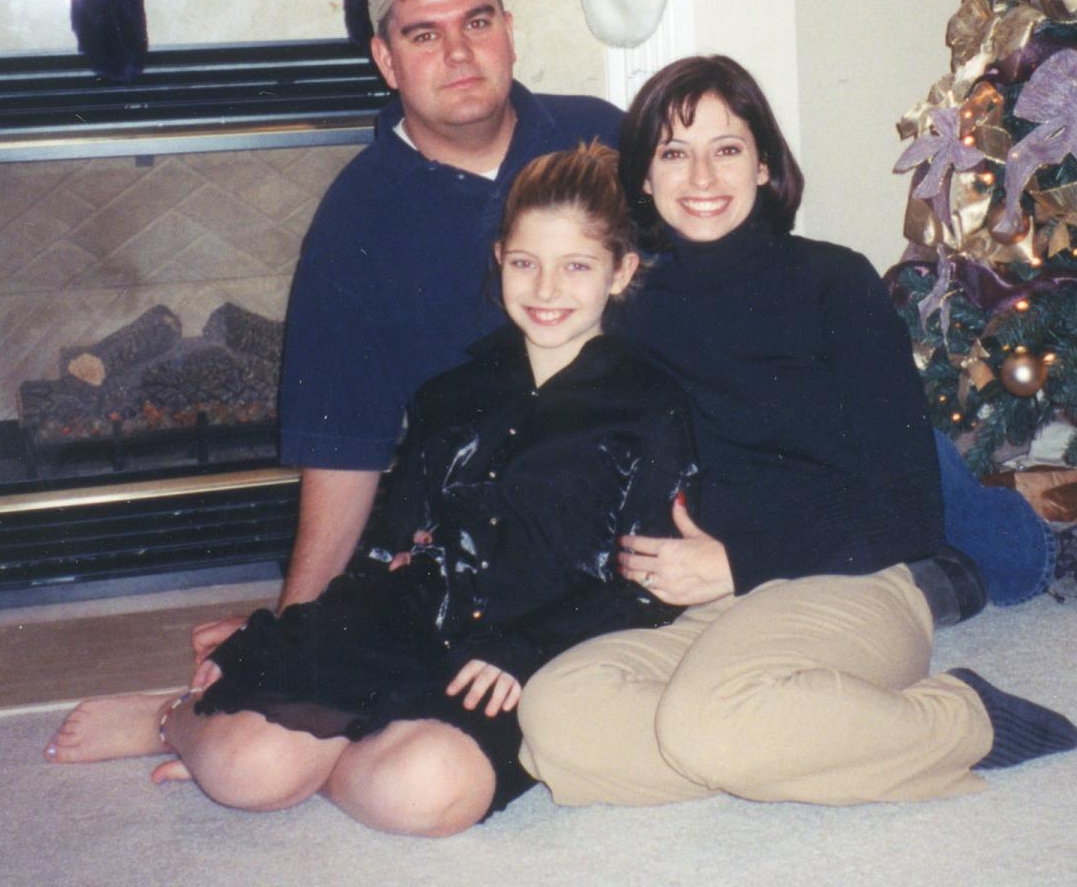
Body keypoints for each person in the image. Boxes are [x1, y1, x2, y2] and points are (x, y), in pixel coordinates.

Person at [191, 0, 1077, 691]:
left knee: (849, 411)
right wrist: (297, 620)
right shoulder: (355, 224)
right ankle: (923, 572)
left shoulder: (596, 131)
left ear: (509, 28)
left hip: (681, 399)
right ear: (384, 58)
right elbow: (346, 444)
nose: (459, 50)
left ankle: (1027, 553)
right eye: (422, 32)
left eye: (477, 20)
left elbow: (729, 238)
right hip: (552, 452)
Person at [44, 142, 696, 835]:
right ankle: (171, 718)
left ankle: (318, 753)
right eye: (525, 263)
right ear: (500, 256)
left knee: (425, 793)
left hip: (509, 657)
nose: (545, 290)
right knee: (247, 773)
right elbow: (388, 548)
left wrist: (527, 648)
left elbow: (645, 582)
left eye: (577, 267)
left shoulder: (652, 406)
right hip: (402, 623)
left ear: (621, 272)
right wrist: (289, 640)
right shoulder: (451, 393)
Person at [517, 54, 1077, 808]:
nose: (701, 176)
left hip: (848, 582)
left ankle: (960, 718)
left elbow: (910, 507)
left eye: (727, 149)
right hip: (713, 610)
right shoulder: (632, 303)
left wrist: (740, 563)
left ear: (762, 165)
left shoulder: (834, 282)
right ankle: (787, 739)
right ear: (644, 180)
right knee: (554, 717)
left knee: (708, 726)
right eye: (673, 153)